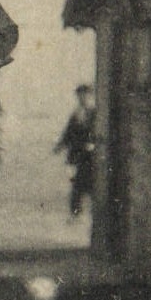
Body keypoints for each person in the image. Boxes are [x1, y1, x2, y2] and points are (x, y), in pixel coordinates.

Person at [55, 83, 96, 219]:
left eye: (85, 95)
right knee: (77, 183)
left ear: (89, 96)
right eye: (80, 96)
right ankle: (75, 212)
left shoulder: (94, 114)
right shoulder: (76, 114)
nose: (82, 98)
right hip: (76, 154)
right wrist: (60, 146)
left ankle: (89, 210)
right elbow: (68, 132)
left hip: (90, 155)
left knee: (89, 182)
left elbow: (97, 132)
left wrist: (92, 144)